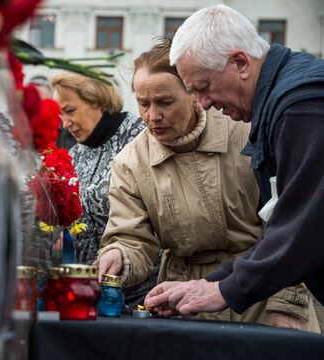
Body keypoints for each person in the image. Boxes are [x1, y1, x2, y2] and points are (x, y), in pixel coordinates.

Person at [96, 39, 319, 331]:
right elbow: (131, 238)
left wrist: (287, 305)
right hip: (185, 304)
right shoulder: (130, 162)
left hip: (261, 294)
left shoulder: (245, 132)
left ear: (194, 93)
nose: (152, 116)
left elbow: (292, 228)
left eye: (165, 101)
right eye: (143, 102)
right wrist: (119, 256)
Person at [144, 4, 324, 320]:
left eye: (203, 87)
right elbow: (287, 224)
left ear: (240, 62)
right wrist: (211, 283)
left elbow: (304, 228)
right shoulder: (287, 100)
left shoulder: (301, 108)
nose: (203, 103)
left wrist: (225, 291)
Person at [51, 72, 145, 264]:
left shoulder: (140, 138)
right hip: (88, 285)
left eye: (70, 110)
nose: (65, 123)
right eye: (60, 115)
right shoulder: (74, 156)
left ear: (98, 100)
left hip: (144, 285)